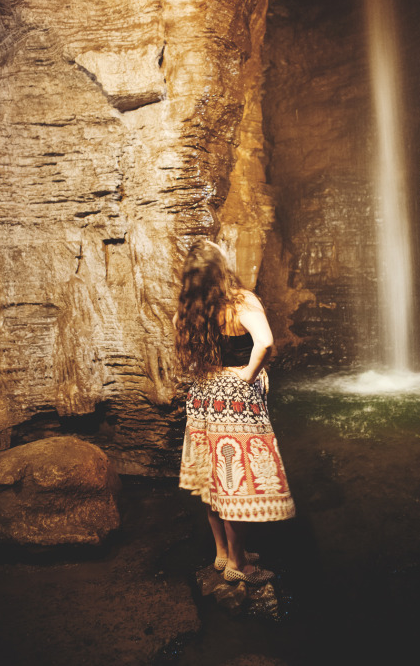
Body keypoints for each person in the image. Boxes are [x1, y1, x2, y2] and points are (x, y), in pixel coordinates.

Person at [174, 239, 295, 584]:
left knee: (214, 479)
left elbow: (186, 349)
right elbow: (266, 342)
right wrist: (248, 373)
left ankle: (222, 553)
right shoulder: (241, 301)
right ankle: (238, 565)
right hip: (235, 400)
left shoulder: (188, 309)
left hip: (203, 396)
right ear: (220, 267)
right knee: (234, 483)